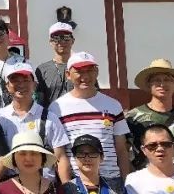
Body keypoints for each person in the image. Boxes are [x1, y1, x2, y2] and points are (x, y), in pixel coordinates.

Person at [51, 52, 130, 184]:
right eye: (79, 72)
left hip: (111, 180)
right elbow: (60, 154)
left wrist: (126, 183)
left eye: (90, 70)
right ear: (68, 75)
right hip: (77, 181)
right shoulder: (57, 108)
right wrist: (68, 186)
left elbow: (121, 149)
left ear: (97, 72)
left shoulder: (113, 105)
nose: (85, 76)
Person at [0, 62, 70, 183]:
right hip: (11, 187)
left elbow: (60, 157)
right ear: (7, 86)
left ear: (34, 84)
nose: (21, 85)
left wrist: (68, 188)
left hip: (45, 186)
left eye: (26, 80)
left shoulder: (50, 118)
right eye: (15, 80)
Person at [126, 58, 174, 176]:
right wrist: (133, 178)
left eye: (167, 80)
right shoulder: (133, 118)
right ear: (149, 84)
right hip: (146, 181)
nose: (162, 84)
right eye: (157, 80)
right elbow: (123, 153)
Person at [34, 22, 75, 109]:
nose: (62, 41)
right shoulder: (42, 69)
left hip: (76, 115)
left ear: (73, 41)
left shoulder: (81, 67)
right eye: (56, 38)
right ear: (50, 42)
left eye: (66, 37)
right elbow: (39, 102)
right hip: (51, 115)